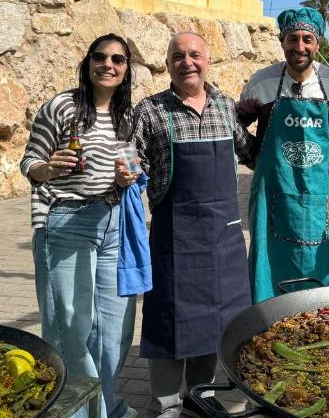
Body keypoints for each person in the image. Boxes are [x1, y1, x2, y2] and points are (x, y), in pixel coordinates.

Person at [130, 32, 253, 418]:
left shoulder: (225, 106)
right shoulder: (149, 110)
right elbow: (133, 161)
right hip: (174, 237)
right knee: (170, 319)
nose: (187, 62)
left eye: (194, 54)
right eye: (178, 56)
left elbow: (249, 153)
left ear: (208, 60)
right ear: (167, 64)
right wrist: (127, 172)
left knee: (216, 322)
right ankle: (166, 404)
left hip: (223, 238)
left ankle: (201, 397)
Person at [20, 33, 137, 418]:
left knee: (113, 328)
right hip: (67, 220)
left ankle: (107, 405)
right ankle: (80, 412)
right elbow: (29, 163)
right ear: (88, 63)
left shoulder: (126, 114)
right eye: (100, 57)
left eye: (118, 60)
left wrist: (125, 178)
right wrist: (49, 167)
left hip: (113, 220)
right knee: (69, 326)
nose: (109, 65)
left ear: (126, 68)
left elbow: (132, 166)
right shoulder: (62, 106)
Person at [238, 7, 329, 303]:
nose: (299, 47)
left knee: (322, 274)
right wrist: (254, 157)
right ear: (282, 41)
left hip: (319, 198)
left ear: (317, 44)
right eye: (292, 39)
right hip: (271, 194)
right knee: (269, 266)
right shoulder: (262, 82)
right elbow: (236, 123)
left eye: (307, 39)